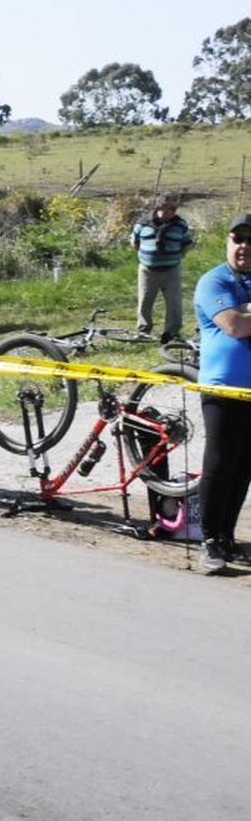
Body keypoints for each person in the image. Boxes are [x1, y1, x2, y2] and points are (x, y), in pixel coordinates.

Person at [191, 214, 251, 572]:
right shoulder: (214, 281)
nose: (243, 246)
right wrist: (243, 315)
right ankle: (210, 541)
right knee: (219, 462)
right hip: (223, 387)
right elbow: (234, 325)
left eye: (250, 240)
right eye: (237, 239)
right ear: (227, 243)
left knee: (244, 466)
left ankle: (227, 537)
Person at [133, 193, 195, 342]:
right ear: (158, 208)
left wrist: (178, 257)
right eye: (165, 209)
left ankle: (172, 333)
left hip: (171, 270)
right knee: (145, 302)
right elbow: (135, 243)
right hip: (148, 271)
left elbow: (187, 243)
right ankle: (143, 331)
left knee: (174, 303)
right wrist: (146, 258)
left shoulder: (180, 225)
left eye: (172, 210)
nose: (168, 213)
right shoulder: (142, 224)